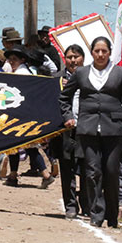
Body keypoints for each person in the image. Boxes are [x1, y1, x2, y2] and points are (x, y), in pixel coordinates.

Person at [59, 36, 122, 228]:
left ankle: (112, 215)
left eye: (104, 51)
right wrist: (68, 117)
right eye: (96, 51)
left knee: (111, 172)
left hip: (113, 130)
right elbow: (64, 97)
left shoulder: (120, 73)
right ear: (91, 53)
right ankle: (96, 214)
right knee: (92, 172)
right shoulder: (81, 73)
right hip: (87, 130)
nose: (100, 55)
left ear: (109, 52)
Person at [1, 46, 53, 188]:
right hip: (25, 113)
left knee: (23, 146)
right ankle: (13, 175)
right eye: (10, 59)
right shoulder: (23, 71)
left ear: (22, 60)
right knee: (23, 145)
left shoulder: (21, 74)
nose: (11, 62)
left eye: (14, 59)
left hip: (21, 115)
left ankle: (45, 174)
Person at [53, 44, 87, 218]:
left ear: (83, 58)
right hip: (66, 133)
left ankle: (87, 203)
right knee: (67, 169)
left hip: (86, 130)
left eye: (76, 56)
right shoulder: (55, 79)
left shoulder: (91, 77)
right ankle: (71, 206)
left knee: (89, 167)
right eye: (69, 57)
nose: (73, 60)